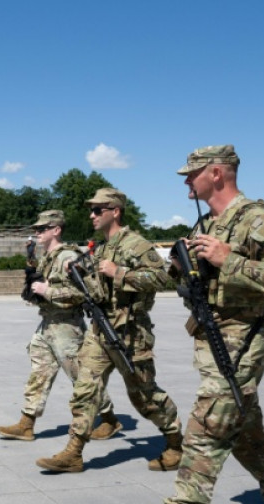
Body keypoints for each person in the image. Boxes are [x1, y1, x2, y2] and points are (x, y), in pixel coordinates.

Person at [147, 145, 264, 504]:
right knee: (243, 433)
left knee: (208, 425)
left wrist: (230, 260)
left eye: (192, 173)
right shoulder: (204, 224)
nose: (186, 181)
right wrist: (180, 267)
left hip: (244, 337)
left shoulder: (258, 221)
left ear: (218, 173)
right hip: (210, 338)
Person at [36, 188, 183, 474]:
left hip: (130, 332)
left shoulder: (136, 244)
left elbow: (162, 278)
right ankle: (73, 452)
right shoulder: (101, 247)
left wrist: (119, 272)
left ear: (115, 211)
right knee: (84, 389)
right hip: (100, 328)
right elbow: (93, 288)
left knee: (144, 396)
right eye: (91, 210)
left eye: (98, 210)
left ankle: (176, 441)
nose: (91, 215)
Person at [0, 210, 120, 442]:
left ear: (56, 230)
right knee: (39, 373)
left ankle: (109, 419)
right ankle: (26, 423)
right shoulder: (47, 257)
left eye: (42, 229)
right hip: (48, 323)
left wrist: (48, 291)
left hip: (66, 327)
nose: (37, 233)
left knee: (81, 377)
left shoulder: (68, 258)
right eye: (36, 229)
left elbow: (84, 293)